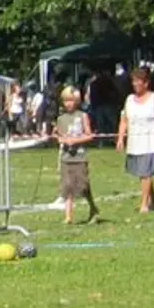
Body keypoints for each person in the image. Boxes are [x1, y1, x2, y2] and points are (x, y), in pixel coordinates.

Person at [118, 68, 154, 213]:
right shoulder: (129, 100)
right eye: (134, 81)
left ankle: (144, 204)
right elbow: (124, 120)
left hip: (151, 141)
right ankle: (153, 195)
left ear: (146, 83)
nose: (135, 84)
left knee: (146, 172)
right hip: (135, 142)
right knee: (141, 172)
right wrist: (121, 137)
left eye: (139, 81)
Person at [54, 89, 99, 224]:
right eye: (66, 100)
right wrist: (60, 139)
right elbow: (58, 135)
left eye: (71, 100)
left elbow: (89, 135)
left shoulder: (82, 116)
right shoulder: (61, 119)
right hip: (66, 158)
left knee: (83, 186)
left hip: (80, 157)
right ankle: (68, 216)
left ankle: (93, 208)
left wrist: (76, 141)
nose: (68, 104)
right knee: (67, 186)